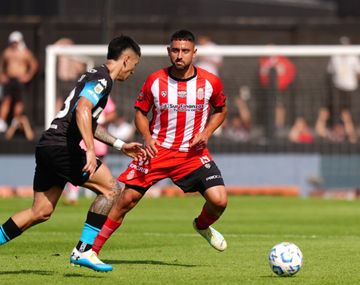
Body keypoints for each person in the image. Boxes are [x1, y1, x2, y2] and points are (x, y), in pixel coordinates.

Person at [76, 29, 229, 272]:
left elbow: (220, 110)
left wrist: (207, 133)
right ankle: (91, 251)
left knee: (219, 201)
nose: (180, 56)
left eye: (185, 51)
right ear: (169, 51)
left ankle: (201, 225)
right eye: (175, 50)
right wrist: (147, 137)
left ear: (194, 53)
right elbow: (140, 112)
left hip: (192, 155)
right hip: (156, 152)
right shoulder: (155, 80)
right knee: (125, 199)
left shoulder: (210, 82)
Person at [0, 36, 146, 272]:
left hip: (48, 145)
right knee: (111, 189)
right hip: (61, 146)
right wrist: (89, 150)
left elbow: (88, 120)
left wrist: (120, 144)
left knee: (41, 211)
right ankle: (84, 250)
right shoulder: (102, 78)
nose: (131, 72)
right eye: (134, 66)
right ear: (127, 59)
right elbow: (83, 109)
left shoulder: (93, 75)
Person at [63, 96, 118, 205]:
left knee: (100, 162)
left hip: (99, 135)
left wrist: (104, 119)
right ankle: (73, 193)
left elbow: (112, 113)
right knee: (78, 162)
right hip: (83, 134)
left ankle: (95, 191)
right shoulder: (83, 95)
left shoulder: (105, 96)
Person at [317, 36, 360, 143]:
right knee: (336, 110)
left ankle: (346, 122)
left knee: (347, 112)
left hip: (350, 88)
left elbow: (358, 73)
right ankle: (336, 122)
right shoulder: (335, 57)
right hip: (337, 88)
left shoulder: (353, 57)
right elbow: (330, 71)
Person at [0, 31, 38, 133]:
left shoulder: (25, 53)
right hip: (9, 80)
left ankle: (15, 120)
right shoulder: (7, 52)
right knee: (6, 99)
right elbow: (2, 65)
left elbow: (34, 65)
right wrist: (2, 75)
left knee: (19, 101)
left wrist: (28, 76)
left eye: (16, 42)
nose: (14, 44)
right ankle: (2, 121)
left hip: (20, 80)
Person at [258, 47, 296, 139]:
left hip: (280, 89)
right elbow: (262, 73)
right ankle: (270, 127)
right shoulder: (264, 61)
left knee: (279, 107)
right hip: (268, 90)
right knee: (270, 107)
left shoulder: (283, 60)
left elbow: (289, 71)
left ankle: (279, 127)